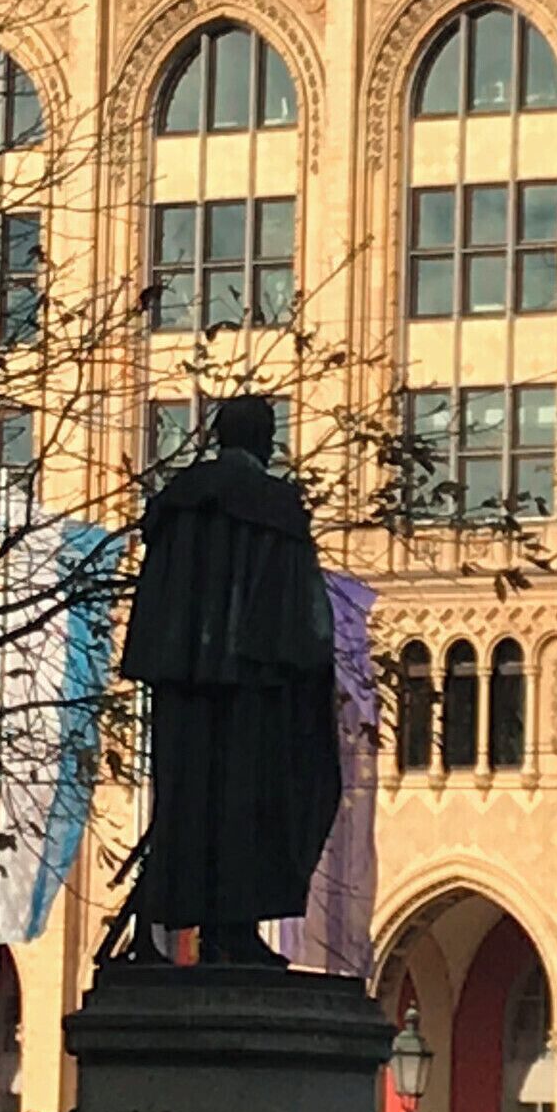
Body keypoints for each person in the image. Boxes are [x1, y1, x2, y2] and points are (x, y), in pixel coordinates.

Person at [120, 395, 340, 967]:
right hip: (253, 684)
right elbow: (303, 611)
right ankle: (233, 929)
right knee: (246, 804)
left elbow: (156, 600)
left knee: (184, 802)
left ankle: (160, 926)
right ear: (264, 441)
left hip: (184, 684)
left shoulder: (177, 503)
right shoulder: (275, 505)